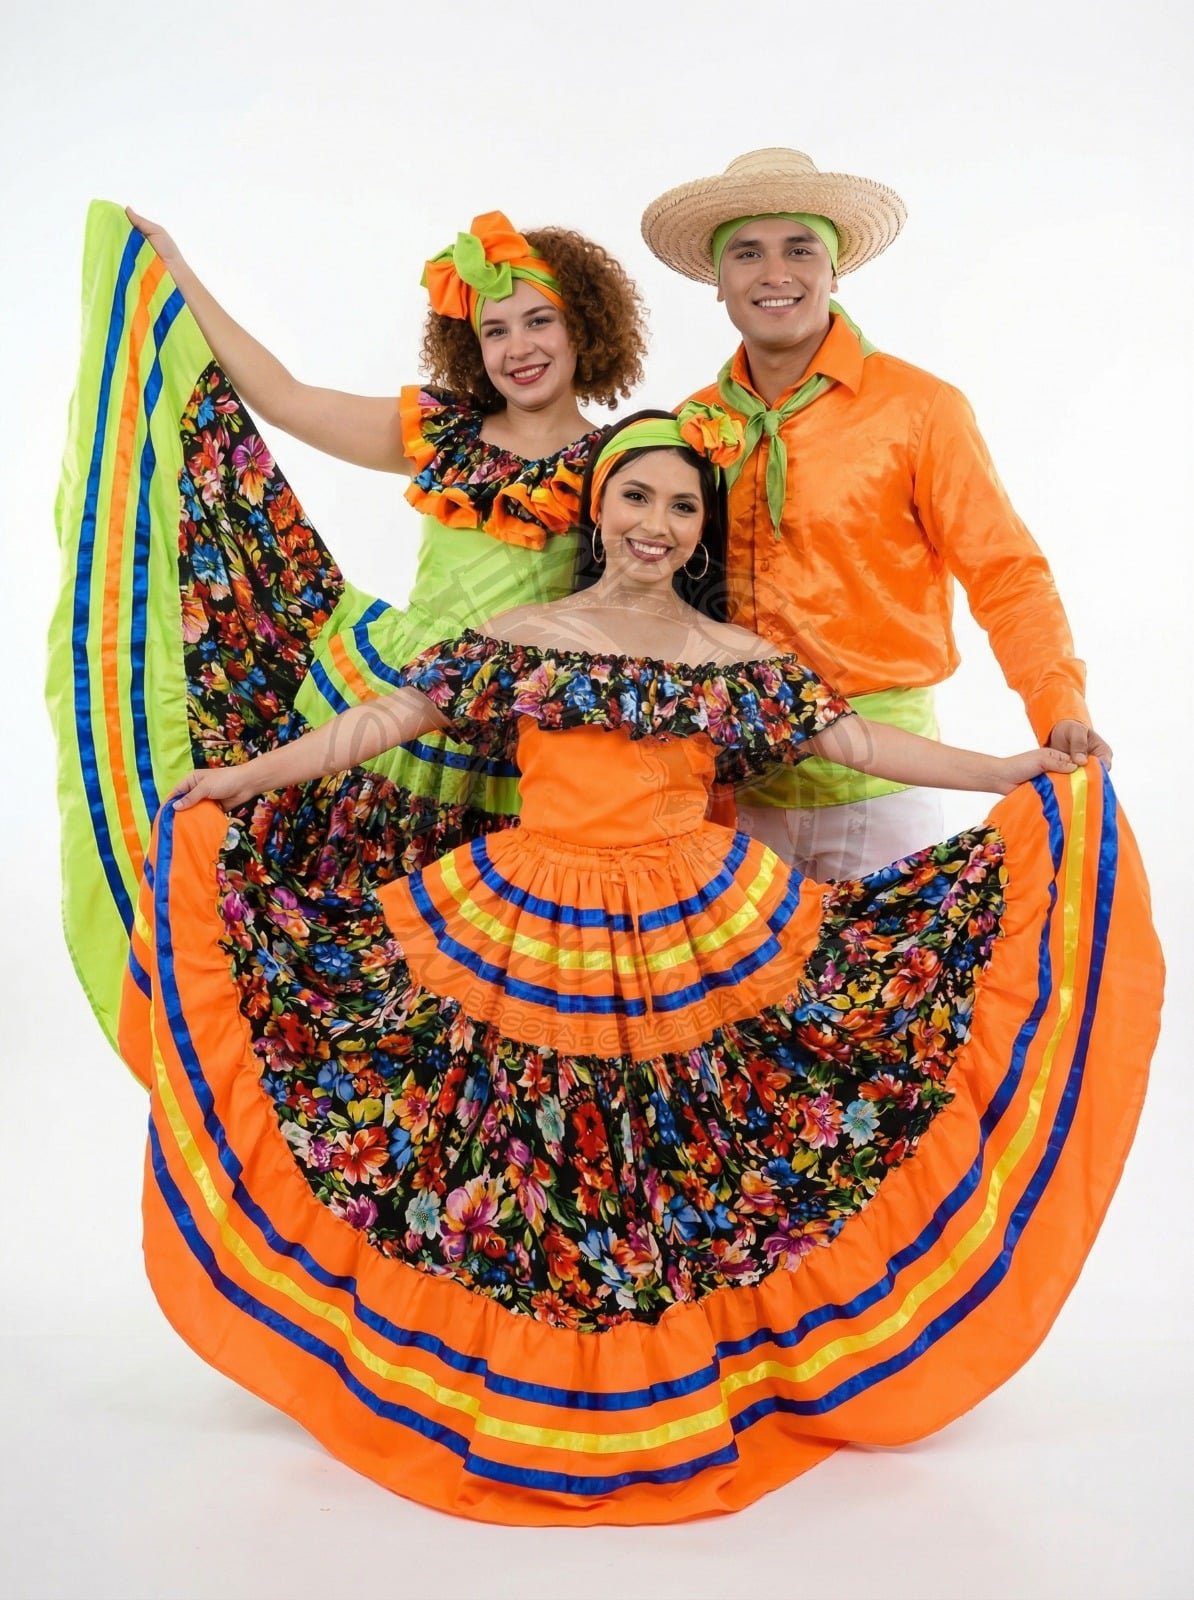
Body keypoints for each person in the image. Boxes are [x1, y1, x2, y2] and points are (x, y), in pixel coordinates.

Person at [131, 409, 1160, 1523]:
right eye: (637, 497)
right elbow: (380, 721)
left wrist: (1009, 767)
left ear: (700, 531)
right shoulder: (525, 634)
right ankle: (525, 1387)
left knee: (687, 1160)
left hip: (693, 917)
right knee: (524, 1152)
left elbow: (855, 742)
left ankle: (688, 1374)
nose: (657, 524)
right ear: (599, 507)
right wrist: (242, 782)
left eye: (682, 507)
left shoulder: (734, 660)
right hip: (529, 912)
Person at [48, 200, 645, 1051]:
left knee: (458, 1014)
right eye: (495, 330)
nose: (520, 347)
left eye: (539, 320)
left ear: (584, 323)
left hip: (508, 753)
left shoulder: (622, 462)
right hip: (378, 706)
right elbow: (283, 397)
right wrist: (177, 273)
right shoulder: (444, 434)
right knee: (327, 960)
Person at [641, 148, 1110, 879]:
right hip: (726, 793)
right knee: (740, 998)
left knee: (888, 995)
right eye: (747, 252)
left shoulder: (921, 408)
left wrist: (1058, 703)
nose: (775, 274)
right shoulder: (684, 425)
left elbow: (1005, 573)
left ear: (835, 269)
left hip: (887, 791)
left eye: (799, 249)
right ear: (718, 280)